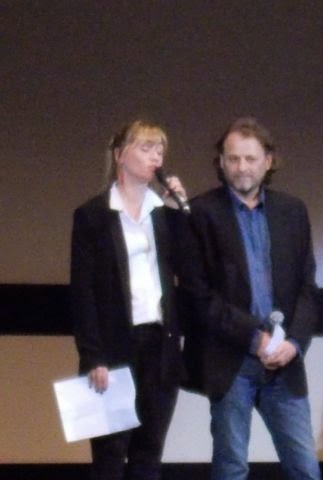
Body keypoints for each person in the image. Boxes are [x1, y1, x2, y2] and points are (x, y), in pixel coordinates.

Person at [186, 117, 321, 479]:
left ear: (268, 161)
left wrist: (294, 343)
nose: (241, 167)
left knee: (305, 468)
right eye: (233, 159)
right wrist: (254, 338)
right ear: (221, 162)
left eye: (250, 158)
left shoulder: (292, 211)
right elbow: (199, 296)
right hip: (232, 360)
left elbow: (307, 287)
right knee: (231, 467)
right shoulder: (202, 213)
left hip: (285, 361)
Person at [70, 119, 204, 480]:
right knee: (111, 454)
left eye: (160, 150)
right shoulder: (93, 216)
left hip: (160, 344)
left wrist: (181, 212)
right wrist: (93, 356)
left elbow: (190, 269)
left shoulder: (163, 214)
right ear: (119, 154)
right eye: (146, 148)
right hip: (114, 346)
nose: (156, 158)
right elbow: (83, 292)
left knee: (149, 452)